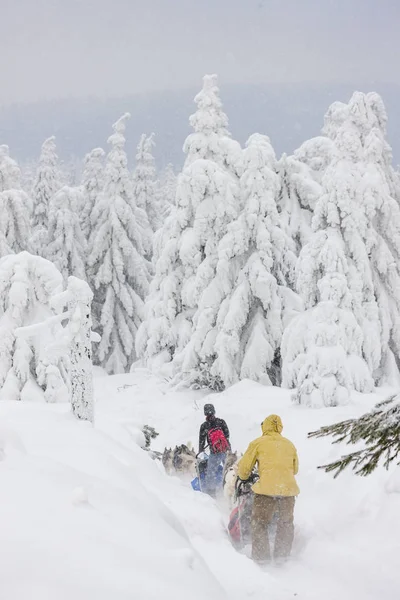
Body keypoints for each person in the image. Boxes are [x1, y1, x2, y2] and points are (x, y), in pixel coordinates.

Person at [237, 414, 299, 564]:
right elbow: (295, 469)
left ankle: (262, 557)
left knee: (259, 522)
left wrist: (244, 477)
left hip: (266, 492)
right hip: (288, 491)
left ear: (264, 426)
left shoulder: (258, 443)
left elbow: (244, 469)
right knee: (285, 523)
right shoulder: (289, 445)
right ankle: (282, 556)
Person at [198, 403, 230, 497]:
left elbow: (201, 441)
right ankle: (228, 490)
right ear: (214, 411)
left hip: (214, 452)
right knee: (228, 470)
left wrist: (201, 450)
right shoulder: (221, 422)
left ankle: (211, 494)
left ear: (205, 413)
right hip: (226, 450)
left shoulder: (204, 426)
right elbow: (227, 435)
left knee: (211, 472)